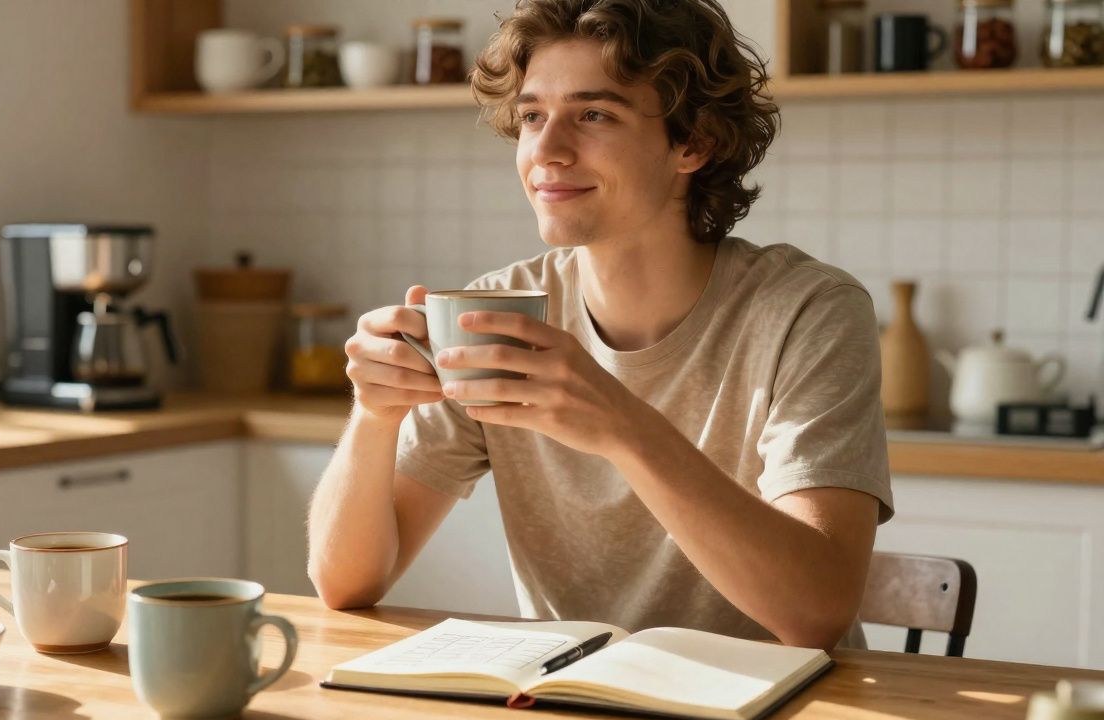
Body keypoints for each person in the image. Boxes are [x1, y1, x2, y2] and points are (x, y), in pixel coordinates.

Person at [307, 0, 892, 650]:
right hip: (571, 708)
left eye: (593, 114)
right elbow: (345, 584)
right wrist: (374, 415)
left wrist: (621, 427)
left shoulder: (808, 312)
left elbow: (816, 613)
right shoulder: (496, 314)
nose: (546, 152)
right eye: (532, 117)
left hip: (775, 712)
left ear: (693, 141)